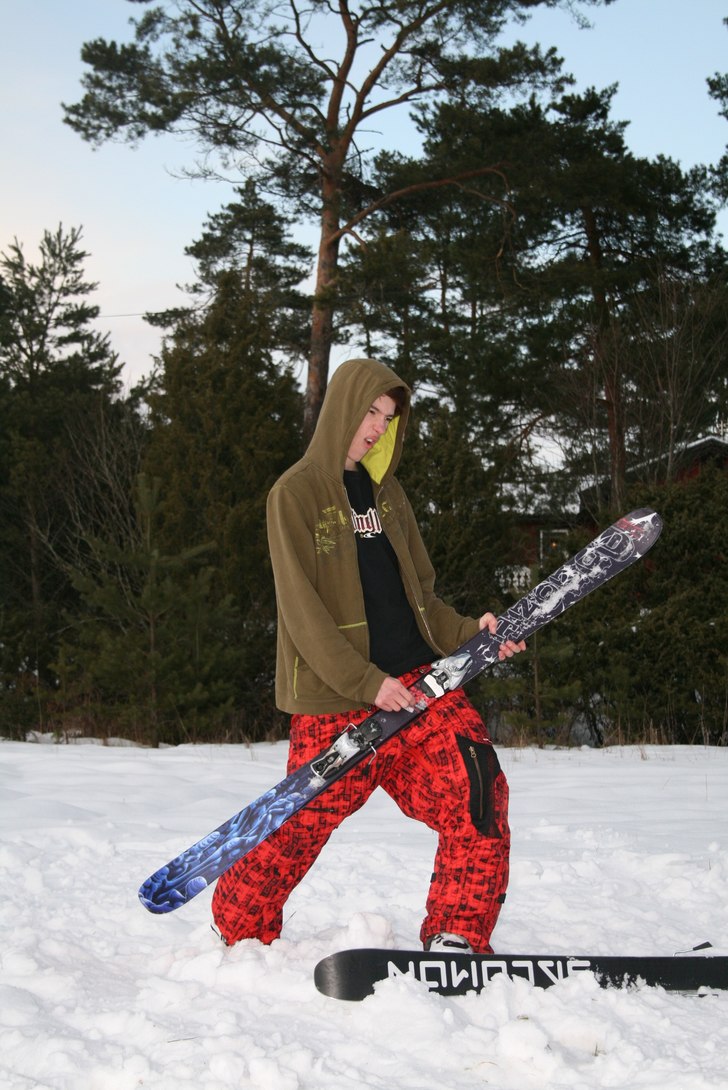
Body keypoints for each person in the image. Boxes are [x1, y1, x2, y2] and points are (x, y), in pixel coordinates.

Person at [212, 357, 525, 953]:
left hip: (422, 686)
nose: (379, 427)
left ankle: (458, 933)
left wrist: (473, 633)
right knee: (297, 825)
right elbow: (302, 612)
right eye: (370, 412)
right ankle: (237, 925)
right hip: (340, 697)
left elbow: (422, 598)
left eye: (389, 417)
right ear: (341, 410)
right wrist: (365, 682)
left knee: (479, 792)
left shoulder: (389, 494)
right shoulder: (295, 494)